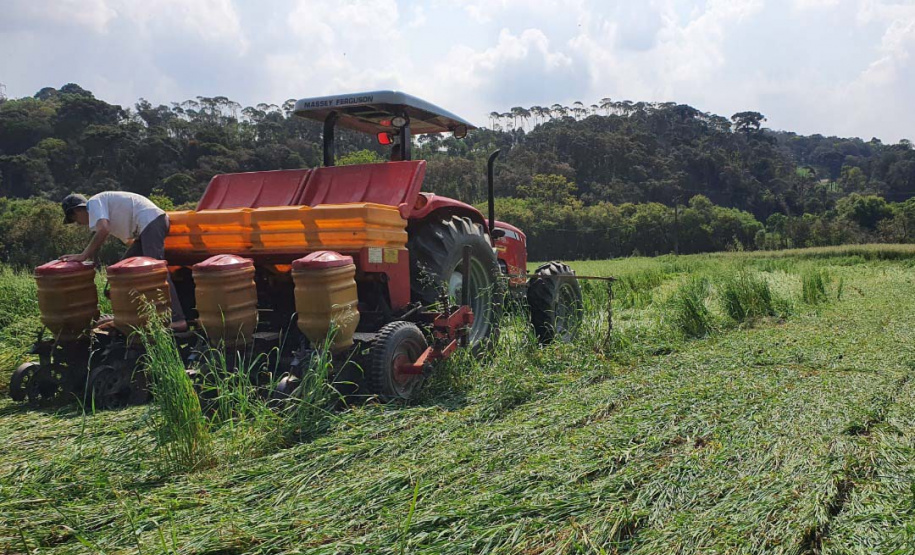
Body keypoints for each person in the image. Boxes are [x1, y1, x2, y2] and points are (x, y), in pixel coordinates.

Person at [60, 192, 187, 331]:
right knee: (121, 271)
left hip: (151, 220)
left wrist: (83, 255)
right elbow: (129, 242)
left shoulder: (94, 204)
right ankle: (129, 316)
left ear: (78, 210)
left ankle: (177, 320)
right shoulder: (107, 215)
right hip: (144, 228)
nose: (77, 223)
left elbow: (103, 230)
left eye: (74, 219)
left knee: (156, 271)